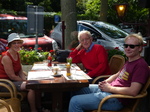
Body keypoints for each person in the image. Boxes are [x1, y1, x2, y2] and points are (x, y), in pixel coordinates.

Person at [68, 33, 150, 112]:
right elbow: (116, 75)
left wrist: (110, 88)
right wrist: (106, 82)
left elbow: (133, 91)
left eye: (132, 46)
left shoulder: (140, 65)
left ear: (140, 48)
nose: (128, 48)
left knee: (75, 101)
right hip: (108, 90)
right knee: (76, 88)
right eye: (126, 45)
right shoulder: (130, 61)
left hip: (116, 99)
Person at [0, 33, 38, 112]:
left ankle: (39, 107)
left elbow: (20, 70)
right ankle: (33, 110)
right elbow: (12, 76)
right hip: (5, 83)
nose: (17, 45)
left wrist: (24, 79)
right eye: (14, 43)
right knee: (31, 87)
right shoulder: (6, 57)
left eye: (18, 42)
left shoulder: (17, 54)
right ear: (10, 44)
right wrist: (25, 81)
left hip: (13, 81)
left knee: (36, 83)